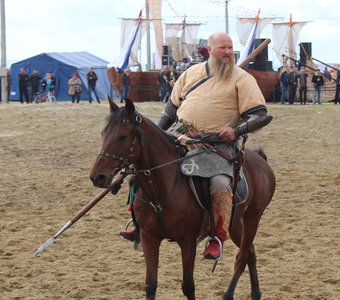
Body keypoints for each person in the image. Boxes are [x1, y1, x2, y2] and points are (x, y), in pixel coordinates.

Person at [119, 32, 272, 260]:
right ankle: (139, 223)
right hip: (181, 138)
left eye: (231, 48)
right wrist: (158, 137)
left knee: (219, 183)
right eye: (223, 48)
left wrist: (236, 130)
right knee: (145, 169)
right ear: (209, 50)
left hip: (218, 145)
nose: (228, 52)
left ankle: (217, 236)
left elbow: (260, 116)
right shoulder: (191, 73)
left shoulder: (242, 79)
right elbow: (171, 110)